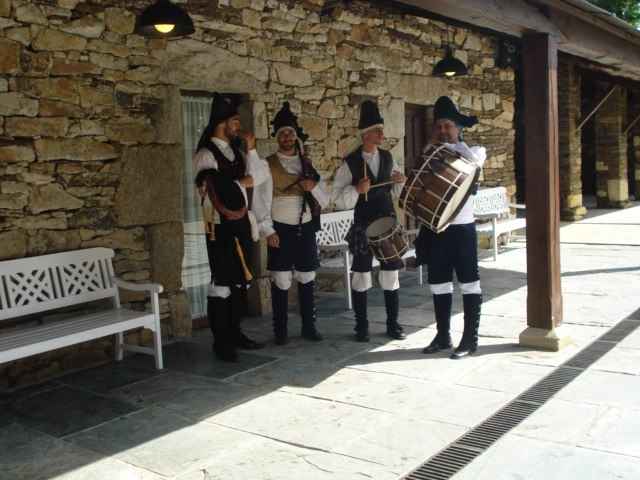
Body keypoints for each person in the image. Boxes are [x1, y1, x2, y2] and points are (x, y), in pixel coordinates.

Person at [193, 93, 269, 362]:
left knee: (239, 283)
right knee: (222, 283)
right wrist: (241, 183)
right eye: (235, 121)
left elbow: (260, 176)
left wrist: (251, 150)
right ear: (222, 123)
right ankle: (221, 341)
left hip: (241, 225)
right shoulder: (205, 155)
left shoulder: (237, 152)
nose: (238, 126)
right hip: (220, 227)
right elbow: (213, 190)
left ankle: (235, 333)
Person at [417, 96, 487, 359]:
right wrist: (431, 149)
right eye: (440, 126)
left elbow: (472, 163)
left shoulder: (476, 151)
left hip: (463, 230)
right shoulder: (430, 154)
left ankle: (470, 339)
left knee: (469, 283)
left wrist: (452, 144)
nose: (443, 131)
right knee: (439, 284)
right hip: (438, 229)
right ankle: (443, 335)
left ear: (459, 128)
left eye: (448, 126)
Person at [254, 102, 330, 345]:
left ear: (296, 137)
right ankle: (281, 331)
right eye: (282, 133)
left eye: (290, 133)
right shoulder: (267, 164)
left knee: (307, 276)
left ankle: (309, 326)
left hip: (305, 227)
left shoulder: (307, 165)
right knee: (282, 279)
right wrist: (268, 230)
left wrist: (313, 186)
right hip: (280, 228)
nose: (287, 137)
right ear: (277, 138)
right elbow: (260, 199)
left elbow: (325, 199)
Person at [332, 100, 407, 342]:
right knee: (362, 275)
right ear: (366, 134)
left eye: (381, 130)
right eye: (378, 130)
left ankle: (393, 325)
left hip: (387, 222)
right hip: (364, 224)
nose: (382, 134)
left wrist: (399, 181)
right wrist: (356, 188)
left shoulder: (387, 157)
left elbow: (397, 193)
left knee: (390, 274)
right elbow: (338, 199)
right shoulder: (350, 163)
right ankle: (361, 327)